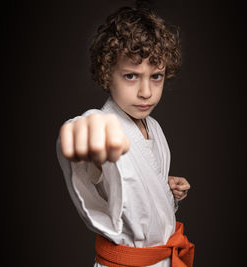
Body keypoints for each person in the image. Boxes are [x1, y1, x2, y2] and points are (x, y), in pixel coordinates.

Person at [56, 5, 194, 267]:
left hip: (162, 259)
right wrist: (81, 131)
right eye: (131, 76)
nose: (146, 92)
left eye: (156, 76)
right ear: (108, 74)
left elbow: (135, 190)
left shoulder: (153, 127)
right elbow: (82, 135)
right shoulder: (103, 127)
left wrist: (165, 189)